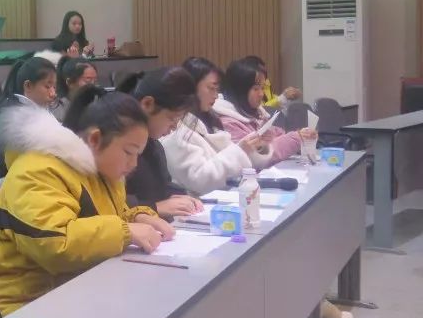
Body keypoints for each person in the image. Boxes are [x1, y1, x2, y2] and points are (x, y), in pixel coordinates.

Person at [0, 88, 174, 315]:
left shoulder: (102, 172)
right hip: (22, 308)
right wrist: (126, 231)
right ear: (95, 139)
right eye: (129, 152)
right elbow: (54, 243)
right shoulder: (37, 171)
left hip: (75, 294)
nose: (134, 164)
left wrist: (137, 216)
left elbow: (109, 217)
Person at [161, 57, 261, 195]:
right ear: (191, 88)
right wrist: (240, 151)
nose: (215, 95)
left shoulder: (210, 121)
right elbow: (199, 180)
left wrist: (251, 148)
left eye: (217, 89)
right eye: (211, 88)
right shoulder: (177, 130)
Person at [116, 68, 205, 220]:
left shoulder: (154, 146)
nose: (174, 127)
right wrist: (155, 207)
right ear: (147, 104)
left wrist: (181, 197)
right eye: (172, 118)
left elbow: (162, 186)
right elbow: (108, 203)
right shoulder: (115, 143)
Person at [213, 57, 316, 168]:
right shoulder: (226, 123)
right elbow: (257, 158)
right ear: (240, 90)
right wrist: (296, 138)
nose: (261, 94)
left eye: (262, 88)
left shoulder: (256, 114)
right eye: (256, 89)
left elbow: (276, 135)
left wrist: (303, 137)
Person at [0, 56, 58, 175]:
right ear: (28, 86)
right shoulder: (11, 113)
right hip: (11, 177)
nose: (53, 93)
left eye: (54, 87)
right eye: (47, 86)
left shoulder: (40, 109)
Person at [49, 57, 98, 122]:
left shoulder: (99, 103)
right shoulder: (55, 109)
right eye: (87, 80)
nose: (93, 85)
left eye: (95, 80)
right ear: (69, 82)